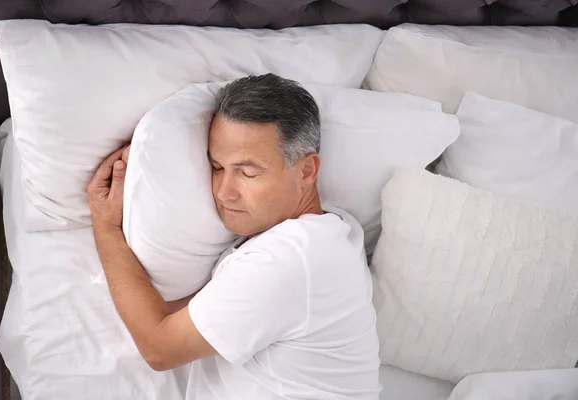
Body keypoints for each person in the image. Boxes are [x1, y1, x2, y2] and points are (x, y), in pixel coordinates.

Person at [87, 73, 381, 399]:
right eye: (217, 168)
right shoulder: (333, 232)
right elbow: (181, 316)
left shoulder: (293, 258)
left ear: (307, 171)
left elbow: (160, 349)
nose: (225, 192)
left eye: (248, 172)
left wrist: (106, 228)